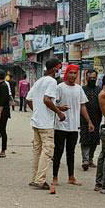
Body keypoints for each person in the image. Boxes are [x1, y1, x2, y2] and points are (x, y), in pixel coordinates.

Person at [50, 64, 92, 194]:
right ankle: (55, 177)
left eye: (75, 73)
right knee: (58, 151)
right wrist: (59, 109)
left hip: (74, 126)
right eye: (71, 73)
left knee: (71, 152)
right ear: (66, 74)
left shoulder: (79, 89)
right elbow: (53, 103)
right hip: (61, 125)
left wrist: (89, 121)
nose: (73, 75)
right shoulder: (59, 88)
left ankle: (71, 177)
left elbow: (82, 106)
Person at [27, 58, 66, 190]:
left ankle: (35, 178)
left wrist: (38, 111)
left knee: (37, 150)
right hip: (46, 123)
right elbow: (47, 100)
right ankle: (40, 179)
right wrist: (59, 113)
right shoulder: (52, 81)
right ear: (55, 68)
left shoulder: (39, 81)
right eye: (59, 68)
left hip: (37, 121)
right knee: (48, 150)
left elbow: (29, 99)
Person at [80, 70, 101, 170]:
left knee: (94, 140)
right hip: (84, 118)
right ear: (86, 78)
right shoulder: (82, 89)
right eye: (90, 78)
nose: (92, 79)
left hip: (97, 119)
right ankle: (85, 160)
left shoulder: (99, 90)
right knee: (85, 139)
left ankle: (90, 159)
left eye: (94, 78)